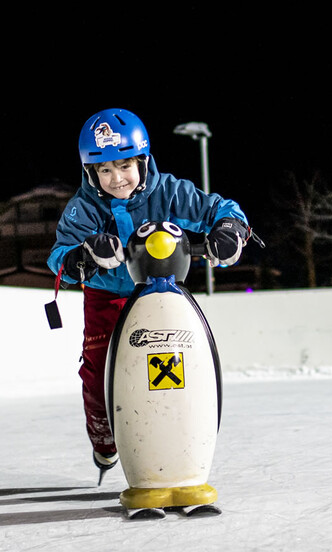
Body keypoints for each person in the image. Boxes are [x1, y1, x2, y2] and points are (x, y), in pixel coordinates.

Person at [46, 108, 258, 482]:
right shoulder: (83, 208)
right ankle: (104, 437)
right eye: (104, 170)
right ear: (89, 172)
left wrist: (229, 230)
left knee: (181, 364)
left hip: (163, 294)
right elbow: (59, 256)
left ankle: (180, 435)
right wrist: (85, 254)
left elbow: (221, 210)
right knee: (98, 374)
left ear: (143, 160)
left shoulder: (171, 193)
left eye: (124, 166)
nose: (116, 179)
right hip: (107, 298)